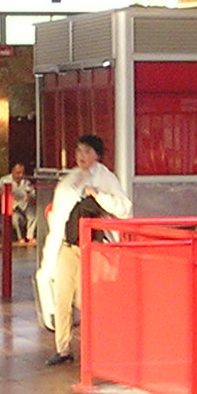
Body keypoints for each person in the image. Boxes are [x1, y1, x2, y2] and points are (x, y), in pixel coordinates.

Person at [39, 134, 130, 367]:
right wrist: (49, 257)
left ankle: (98, 344)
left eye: (87, 151)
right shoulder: (68, 180)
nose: (82, 156)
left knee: (85, 297)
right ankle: (63, 349)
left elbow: (124, 208)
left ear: (97, 155)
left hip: (92, 246)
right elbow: (57, 218)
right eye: (79, 150)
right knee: (62, 296)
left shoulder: (106, 178)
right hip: (67, 244)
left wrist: (98, 195)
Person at [0, 162, 36, 243]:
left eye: (22, 173)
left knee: (33, 215)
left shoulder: (26, 182)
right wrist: (7, 194)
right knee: (15, 219)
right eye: (18, 173)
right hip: (12, 206)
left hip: (25, 205)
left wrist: (29, 197)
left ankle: (30, 236)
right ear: (13, 171)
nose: (20, 175)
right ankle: (20, 238)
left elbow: (33, 195)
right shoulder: (5, 179)